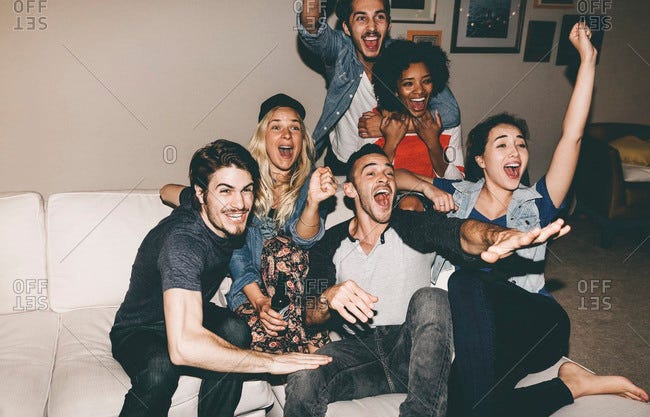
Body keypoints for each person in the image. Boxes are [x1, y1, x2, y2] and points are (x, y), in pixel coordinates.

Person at [397, 24, 649, 417]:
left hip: (539, 324)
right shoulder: (457, 195)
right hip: (486, 335)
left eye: (520, 144)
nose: (515, 151)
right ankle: (571, 385)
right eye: (502, 144)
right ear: (480, 160)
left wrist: (588, 60)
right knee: (466, 408)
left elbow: (572, 137)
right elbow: (395, 177)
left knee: (464, 278)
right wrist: (428, 189)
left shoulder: (538, 204)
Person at [283, 143, 572, 417]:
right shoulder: (329, 242)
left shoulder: (410, 224)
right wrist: (328, 296)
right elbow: (309, 313)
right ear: (350, 189)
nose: (384, 179)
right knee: (304, 375)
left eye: (388, 173)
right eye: (371, 173)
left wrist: (495, 235)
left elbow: (460, 232)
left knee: (430, 298)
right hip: (359, 353)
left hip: (417, 350)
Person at [110, 139, 331, 417]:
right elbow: (184, 347)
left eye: (246, 190)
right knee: (160, 368)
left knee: (237, 330)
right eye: (225, 191)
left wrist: (169, 190)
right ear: (201, 194)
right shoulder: (183, 243)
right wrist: (271, 362)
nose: (239, 204)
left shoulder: (209, 206)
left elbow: (169, 191)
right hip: (140, 327)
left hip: (194, 309)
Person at [161, 94, 337, 354]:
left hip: (301, 295)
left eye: (295, 128)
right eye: (276, 127)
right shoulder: (241, 185)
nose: (286, 135)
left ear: (302, 139)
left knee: (282, 247)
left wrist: (312, 203)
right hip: (252, 293)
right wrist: (261, 302)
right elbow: (237, 253)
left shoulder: (313, 184)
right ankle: (306, 345)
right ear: (262, 137)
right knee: (258, 339)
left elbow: (304, 241)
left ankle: (303, 343)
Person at [297, 0, 462, 177]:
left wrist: (387, 125)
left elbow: (450, 113)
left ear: (389, 25)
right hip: (341, 160)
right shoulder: (340, 52)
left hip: (387, 161)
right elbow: (311, 30)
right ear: (347, 28)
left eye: (379, 17)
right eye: (361, 18)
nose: (372, 27)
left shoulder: (404, 58)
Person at [371, 39, 464, 210]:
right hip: (389, 204)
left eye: (426, 81)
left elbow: (458, 183)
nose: (419, 90)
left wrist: (434, 144)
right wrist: (390, 143)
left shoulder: (446, 124)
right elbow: (369, 181)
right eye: (408, 84)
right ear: (395, 89)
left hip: (440, 205)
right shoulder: (375, 123)